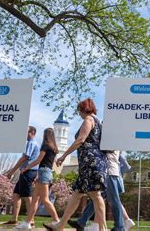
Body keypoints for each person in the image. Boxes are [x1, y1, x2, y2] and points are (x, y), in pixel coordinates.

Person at [44, 98, 107, 231]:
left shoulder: (89, 120)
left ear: (83, 109)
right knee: (77, 194)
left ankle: (103, 229)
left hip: (91, 163)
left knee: (95, 195)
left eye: (79, 110)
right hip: (89, 164)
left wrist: (64, 155)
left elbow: (81, 139)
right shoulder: (98, 122)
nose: (79, 114)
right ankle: (60, 225)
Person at [68, 151, 126, 231]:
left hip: (110, 171)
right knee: (96, 199)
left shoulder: (114, 140)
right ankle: (81, 222)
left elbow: (106, 149)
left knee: (114, 200)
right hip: (106, 171)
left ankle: (120, 227)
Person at [15, 128, 60, 229]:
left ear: (45, 135)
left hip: (44, 172)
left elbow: (39, 160)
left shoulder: (45, 145)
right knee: (35, 199)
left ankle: (57, 221)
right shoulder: (54, 147)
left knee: (44, 199)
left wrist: (26, 168)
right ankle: (27, 222)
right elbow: (54, 161)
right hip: (47, 173)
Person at [3, 126, 40, 227]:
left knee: (27, 197)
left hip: (28, 172)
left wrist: (12, 170)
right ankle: (14, 219)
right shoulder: (31, 143)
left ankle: (31, 220)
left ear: (31, 132)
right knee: (16, 194)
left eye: (26, 132)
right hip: (25, 172)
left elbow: (25, 157)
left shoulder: (31, 143)